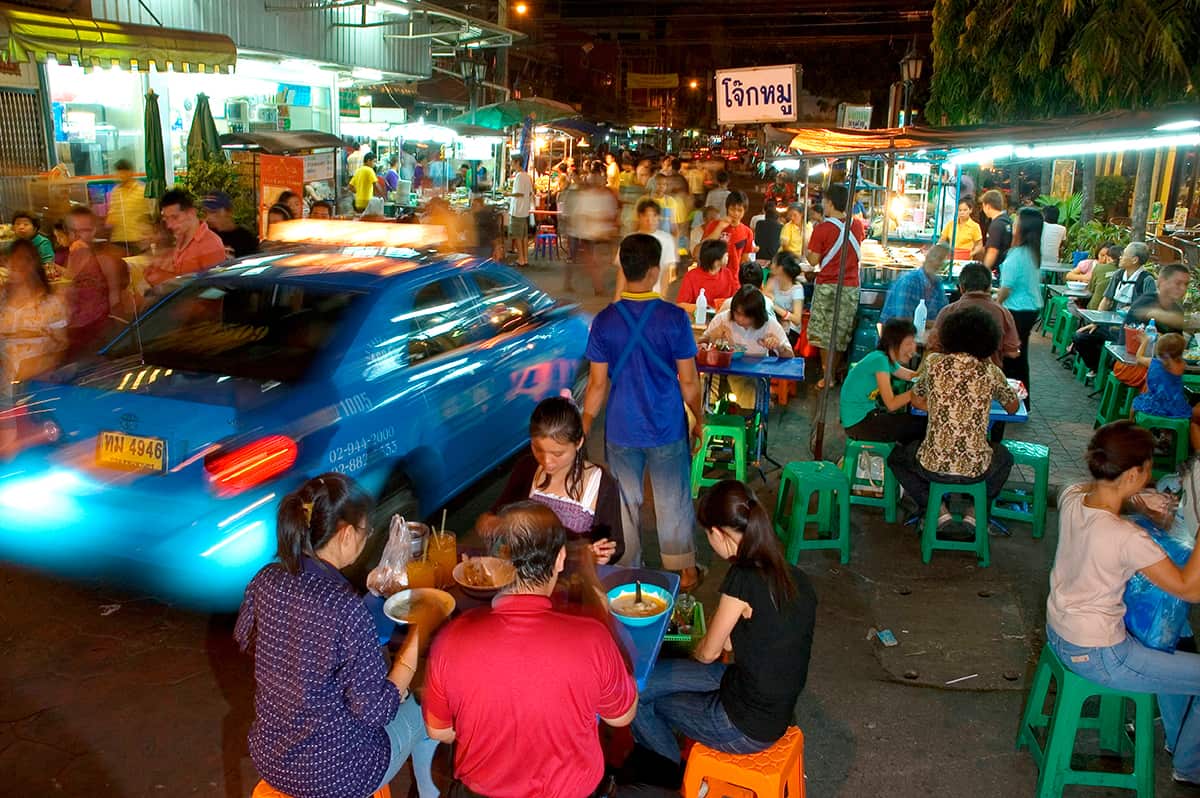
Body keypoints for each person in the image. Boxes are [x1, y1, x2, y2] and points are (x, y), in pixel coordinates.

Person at [234, 473, 438, 798]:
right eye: (365, 530)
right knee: (427, 705)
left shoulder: (266, 579)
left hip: (272, 757)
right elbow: (378, 711)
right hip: (338, 775)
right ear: (344, 534)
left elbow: (247, 639)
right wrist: (419, 631)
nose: (367, 537)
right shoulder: (343, 606)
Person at [424, 501, 637, 798]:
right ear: (560, 559)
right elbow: (621, 715)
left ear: (494, 563)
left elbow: (439, 731)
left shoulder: (450, 638)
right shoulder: (592, 636)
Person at [1047, 421, 1200, 788]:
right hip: (1102, 655)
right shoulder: (1125, 536)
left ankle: (1179, 742)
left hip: (1061, 635)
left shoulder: (1071, 498)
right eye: (1147, 470)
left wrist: (1135, 497)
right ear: (1133, 473)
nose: (1151, 476)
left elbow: (1091, 490)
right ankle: (1191, 768)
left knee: (1173, 651)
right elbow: (1189, 589)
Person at [631, 480, 816, 770]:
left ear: (717, 533)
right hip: (769, 703)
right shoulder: (791, 574)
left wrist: (688, 651)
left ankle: (670, 775)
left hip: (745, 726)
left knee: (634, 698)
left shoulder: (743, 578)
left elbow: (708, 654)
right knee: (647, 684)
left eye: (707, 535)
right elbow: (738, 641)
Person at [582, 233, 703, 589]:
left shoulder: (605, 320)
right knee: (673, 498)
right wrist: (699, 416)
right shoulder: (674, 318)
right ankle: (686, 571)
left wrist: (586, 423)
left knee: (624, 503)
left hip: (621, 428)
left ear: (624, 268)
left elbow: (597, 384)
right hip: (666, 426)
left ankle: (629, 569)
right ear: (655, 271)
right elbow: (689, 381)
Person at [887, 306, 1019, 528]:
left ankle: (937, 510)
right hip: (977, 468)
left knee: (896, 458)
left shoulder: (935, 364)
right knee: (1005, 457)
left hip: (932, 464)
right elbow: (1013, 408)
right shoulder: (991, 371)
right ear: (989, 339)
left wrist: (944, 408)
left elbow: (917, 400)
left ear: (950, 335)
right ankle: (975, 513)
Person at [483, 396, 624, 564]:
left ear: (578, 443)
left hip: (574, 579)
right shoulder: (527, 467)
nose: (546, 461)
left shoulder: (602, 483)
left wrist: (604, 553)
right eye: (538, 449)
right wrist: (492, 523)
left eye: (557, 454)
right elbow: (497, 513)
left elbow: (617, 545)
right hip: (527, 576)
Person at [806, 183, 866, 388]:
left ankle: (827, 374)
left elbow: (813, 260)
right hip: (850, 286)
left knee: (824, 333)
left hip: (828, 286)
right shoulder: (857, 225)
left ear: (829, 202)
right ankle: (831, 373)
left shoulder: (821, 229)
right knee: (841, 332)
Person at [0, 238, 68, 402]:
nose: (18, 267)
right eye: (13, 262)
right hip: (4, 382)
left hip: (36, 385)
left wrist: (42, 366)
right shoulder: (2, 300)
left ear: (33, 265)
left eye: (24, 261)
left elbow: (61, 344)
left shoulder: (50, 303)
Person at [1072, 243, 1157, 372]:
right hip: (1110, 325)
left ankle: (1111, 369)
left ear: (1134, 260)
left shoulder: (1147, 280)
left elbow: (1150, 309)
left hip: (1131, 332)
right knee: (1081, 337)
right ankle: (1098, 368)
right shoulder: (1118, 274)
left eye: (1124, 255)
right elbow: (1106, 300)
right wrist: (1097, 322)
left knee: (1116, 348)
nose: (1120, 257)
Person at [702, 285, 792, 408]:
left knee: (746, 389)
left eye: (746, 316)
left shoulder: (769, 324)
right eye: (737, 313)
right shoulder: (724, 319)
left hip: (753, 374)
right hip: (721, 370)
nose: (739, 319)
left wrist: (779, 346)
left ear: (757, 315)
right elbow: (701, 343)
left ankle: (748, 418)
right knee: (705, 386)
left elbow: (790, 356)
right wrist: (712, 337)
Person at [840, 318, 926, 444]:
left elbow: (912, 376)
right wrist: (916, 391)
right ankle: (901, 458)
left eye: (913, 343)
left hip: (863, 416)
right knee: (919, 426)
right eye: (908, 344)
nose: (913, 349)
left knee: (914, 422)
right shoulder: (880, 360)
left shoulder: (884, 359)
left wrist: (930, 367)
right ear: (894, 343)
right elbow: (891, 404)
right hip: (858, 423)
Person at [927, 261, 1020, 368]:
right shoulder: (1003, 313)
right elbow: (1013, 352)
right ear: (989, 287)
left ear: (961, 287)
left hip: (950, 377)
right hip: (989, 378)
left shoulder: (948, 311)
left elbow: (933, 346)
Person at [996, 207, 1044, 404]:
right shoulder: (1031, 252)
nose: (1012, 226)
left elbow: (1007, 287)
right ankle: (1021, 400)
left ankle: (1013, 400)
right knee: (1019, 355)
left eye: (1016, 223)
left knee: (1011, 355)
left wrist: (995, 303)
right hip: (1028, 309)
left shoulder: (1018, 255)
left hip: (1017, 311)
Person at [64, 206, 127, 355]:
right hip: (73, 329)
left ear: (92, 232)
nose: (77, 236)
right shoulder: (68, 259)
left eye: (83, 231)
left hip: (98, 330)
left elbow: (115, 299)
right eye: (73, 231)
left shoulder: (104, 260)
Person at [1130, 333, 1200, 449]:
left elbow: (1138, 357)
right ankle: (1166, 436)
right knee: (1170, 415)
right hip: (1175, 406)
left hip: (1154, 403)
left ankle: (1132, 427)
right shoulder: (1181, 365)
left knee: (1135, 404)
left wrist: (1144, 342)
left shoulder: (1152, 362)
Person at [145, 190, 228, 288]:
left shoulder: (210, 244)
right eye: (166, 219)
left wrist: (166, 278)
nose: (169, 225)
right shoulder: (180, 238)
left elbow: (214, 290)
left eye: (175, 217)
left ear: (191, 213)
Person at [614, 198, 678, 300]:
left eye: (654, 216)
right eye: (646, 216)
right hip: (631, 294)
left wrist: (662, 296)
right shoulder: (629, 239)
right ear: (640, 217)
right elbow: (622, 270)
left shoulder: (667, 240)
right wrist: (617, 296)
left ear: (659, 217)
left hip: (655, 294)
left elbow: (666, 271)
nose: (650, 220)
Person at [879, 243, 950, 327]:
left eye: (943, 260)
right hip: (897, 336)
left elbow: (944, 316)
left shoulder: (937, 284)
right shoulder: (909, 281)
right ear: (928, 258)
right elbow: (903, 321)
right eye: (939, 259)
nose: (940, 264)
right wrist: (934, 324)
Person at [677, 239, 738, 315]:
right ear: (716, 259)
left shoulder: (728, 273)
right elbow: (681, 305)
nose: (728, 256)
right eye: (726, 255)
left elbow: (736, 299)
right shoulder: (691, 276)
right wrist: (702, 308)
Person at [105, 159, 153, 254]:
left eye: (124, 172)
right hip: (118, 240)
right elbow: (112, 214)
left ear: (131, 172)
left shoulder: (142, 190)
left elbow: (149, 214)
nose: (121, 176)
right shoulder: (115, 191)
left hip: (138, 240)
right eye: (119, 173)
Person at [703, 191, 756, 271]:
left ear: (745, 211)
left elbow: (744, 259)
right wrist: (720, 227)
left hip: (734, 277)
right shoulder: (714, 225)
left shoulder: (747, 232)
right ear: (727, 208)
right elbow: (704, 246)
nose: (735, 213)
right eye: (732, 209)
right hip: (714, 274)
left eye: (740, 210)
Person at [202, 192, 259, 258]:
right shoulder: (206, 237)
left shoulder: (246, 238)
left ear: (228, 212)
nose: (209, 217)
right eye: (206, 212)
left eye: (214, 212)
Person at [766, 251, 805, 345]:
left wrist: (774, 306)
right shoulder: (772, 281)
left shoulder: (796, 289)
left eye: (774, 262)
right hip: (774, 324)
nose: (771, 265)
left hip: (790, 330)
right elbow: (765, 301)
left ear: (781, 268)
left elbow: (796, 319)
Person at [506, 154, 534, 268]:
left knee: (518, 236)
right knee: (524, 236)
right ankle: (525, 258)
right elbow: (530, 193)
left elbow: (519, 193)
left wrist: (508, 194)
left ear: (517, 162)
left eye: (512, 162)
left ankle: (521, 259)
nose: (511, 164)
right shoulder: (527, 176)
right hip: (524, 211)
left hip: (517, 210)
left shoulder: (519, 176)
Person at [978, 190, 1012, 273]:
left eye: (983, 206)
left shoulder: (996, 225)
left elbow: (992, 251)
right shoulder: (1008, 220)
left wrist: (984, 271)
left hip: (997, 269)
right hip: (1006, 267)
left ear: (988, 206)